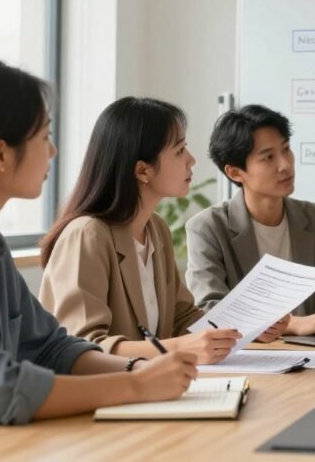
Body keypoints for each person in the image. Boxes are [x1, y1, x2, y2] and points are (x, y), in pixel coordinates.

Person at [0, 61, 196, 453]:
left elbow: (51, 347)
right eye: (45, 136)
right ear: (1, 155)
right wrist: (135, 385)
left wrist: (137, 368)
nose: (53, 151)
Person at [39, 97, 246, 364]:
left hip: (148, 389)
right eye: (180, 150)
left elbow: (182, 317)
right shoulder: (87, 235)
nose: (192, 160)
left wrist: (243, 327)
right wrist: (179, 348)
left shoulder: (156, 229)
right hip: (100, 397)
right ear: (142, 170)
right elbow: (83, 347)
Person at [186, 105, 315, 337]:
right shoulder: (207, 227)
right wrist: (292, 324)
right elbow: (210, 311)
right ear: (235, 173)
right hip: (250, 358)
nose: (285, 165)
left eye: (286, 149)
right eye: (268, 157)